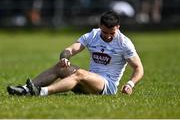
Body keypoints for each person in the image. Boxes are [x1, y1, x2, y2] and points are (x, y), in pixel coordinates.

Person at [7, 10, 144, 96]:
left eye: (111, 33)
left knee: (80, 73)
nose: (108, 36)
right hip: (88, 82)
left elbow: (139, 68)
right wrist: (64, 58)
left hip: (107, 87)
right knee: (61, 67)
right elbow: (70, 49)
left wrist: (130, 84)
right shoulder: (93, 35)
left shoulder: (124, 43)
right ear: (99, 26)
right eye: (104, 32)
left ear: (118, 27)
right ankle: (25, 89)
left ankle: (42, 92)